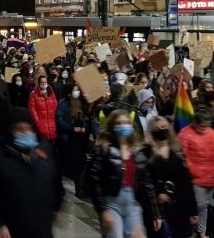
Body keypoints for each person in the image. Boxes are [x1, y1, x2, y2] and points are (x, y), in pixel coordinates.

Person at [0, 107, 62, 238]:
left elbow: (55, 181)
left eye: (28, 128)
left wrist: (56, 207)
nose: (25, 132)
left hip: (41, 228)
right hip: (11, 230)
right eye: (20, 129)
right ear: (11, 131)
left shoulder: (44, 151)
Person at [87, 109, 161, 238]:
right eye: (119, 123)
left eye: (127, 122)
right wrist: (103, 210)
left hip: (133, 204)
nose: (124, 126)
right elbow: (93, 179)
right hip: (112, 203)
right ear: (112, 127)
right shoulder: (104, 150)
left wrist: (155, 213)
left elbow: (146, 183)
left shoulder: (138, 152)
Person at [146, 116, 199, 238]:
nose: (161, 130)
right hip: (158, 209)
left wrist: (193, 211)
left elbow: (186, 183)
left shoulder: (177, 151)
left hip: (179, 206)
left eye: (164, 127)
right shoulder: (147, 153)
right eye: (156, 128)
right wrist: (157, 193)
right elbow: (145, 180)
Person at [178, 108, 214, 238]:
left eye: (208, 125)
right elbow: (183, 157)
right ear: (195, 122)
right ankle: (197, 231)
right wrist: (194, 172)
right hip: (196, 178)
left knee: (205, 205)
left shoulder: (212, 132)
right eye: (203, 125)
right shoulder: (185, 134)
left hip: (211, 176)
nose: (205, 128)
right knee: (199, 206)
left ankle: (201, 231)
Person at [55, 83, 92, 197]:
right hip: (66, 139)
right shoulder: (63, 104)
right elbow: (59, 120)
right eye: (75, 90)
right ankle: (59, 186)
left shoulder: (78, 103)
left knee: (78, 165)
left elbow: (83, 117)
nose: (77, 92)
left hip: (78, 140)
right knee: (62, 164)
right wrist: (72, 128)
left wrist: (83, 127)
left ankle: (78, 188)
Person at [28, 75, 59, 141]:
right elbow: (32, 109)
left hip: (52, 122)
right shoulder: (33, 95)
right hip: (41, 123)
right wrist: (38, 122)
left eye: (45, 82)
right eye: (42, 82)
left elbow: (55, 106)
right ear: (39, 83)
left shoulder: (51, 93)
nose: (44, 84)